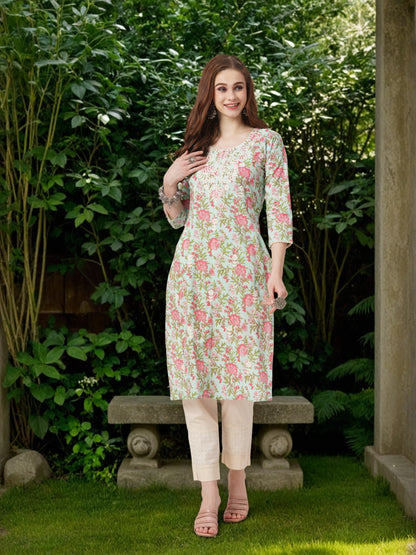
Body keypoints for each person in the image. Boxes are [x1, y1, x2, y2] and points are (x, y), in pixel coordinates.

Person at [159, 54, 293, 538]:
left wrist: (275, 273)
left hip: (242, 274)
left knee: (237, 387)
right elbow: (178, 218)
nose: (231, 95)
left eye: (238, 87)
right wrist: (171, 180)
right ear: (210, 95)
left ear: (247, 92)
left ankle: (238, 482)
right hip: (192, 275)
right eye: (222, 88)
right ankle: (208, 494)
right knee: (195, 389)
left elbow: (279, 212)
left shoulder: (266, 142)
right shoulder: (197, 147)